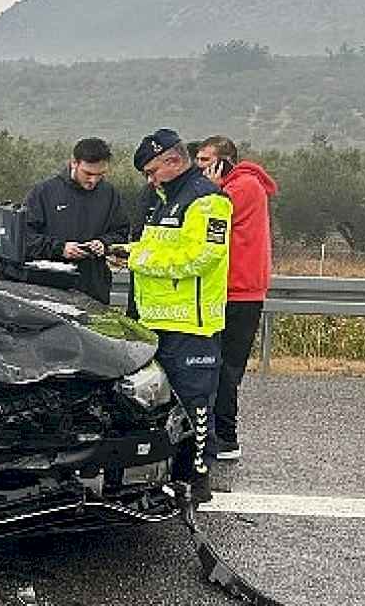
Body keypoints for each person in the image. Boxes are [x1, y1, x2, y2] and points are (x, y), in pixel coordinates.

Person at [115, 128, 232, 504]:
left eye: (152, 171)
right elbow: (156, 247)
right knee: (156, 403)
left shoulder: (208, 201)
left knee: (196, 405)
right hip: (154, 320)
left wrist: (138, 258)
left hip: (192, 324)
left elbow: (202, 257)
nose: (149, 180)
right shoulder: (163, 199)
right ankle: (159, 474)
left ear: (173, 161)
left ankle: (198, 479)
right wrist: (124, 251)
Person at [196, 135, 278, 461]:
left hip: (241, 290)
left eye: (204, 161)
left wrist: (210, 188)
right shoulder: (238, 186)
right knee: (218, 364)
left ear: (223, 162)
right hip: (230, 288)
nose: (197, 168)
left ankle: (226, 437)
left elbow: (209, 215)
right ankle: (218, 433)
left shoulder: (242, 188)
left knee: (227, 367)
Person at [22, 137, 130, 303]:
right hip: (51, 290)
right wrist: (61, 248)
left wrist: (103, 243)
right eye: (88, 173)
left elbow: (121, 232)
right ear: (74, 163)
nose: (93, 180)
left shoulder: (110, 194)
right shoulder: (44, 192)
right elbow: (25, 237)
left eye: (100, 175)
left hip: (95, 290)